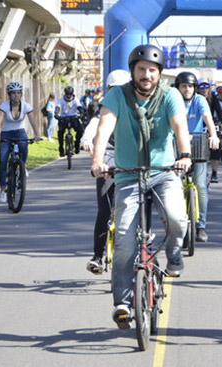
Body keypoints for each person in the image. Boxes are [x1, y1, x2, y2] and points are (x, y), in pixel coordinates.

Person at [91, 44, 192, 329]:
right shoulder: (116, 95)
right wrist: (98, 161)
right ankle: (122, 302)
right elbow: (103, 130)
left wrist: (183, 155)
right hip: (127, 175)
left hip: (164, 171)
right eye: (141, 69)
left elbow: (179, 126)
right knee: (123, 238)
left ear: (159, 74)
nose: (146, 75)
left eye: (152, 70)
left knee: (176, 218)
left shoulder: (171, 95)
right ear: (133, 71)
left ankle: (173, 255)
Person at [81, 70, 132, 274]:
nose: (117, 93)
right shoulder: (104, 108)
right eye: (113, 89)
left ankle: (144, 249)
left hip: (131, 163)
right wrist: (86, 140)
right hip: (108, 162)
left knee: (140, 207)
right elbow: (94, 127)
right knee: (104, 210)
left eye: (121, 89)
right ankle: (97, 256)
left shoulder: (135, 109)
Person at [175, 71, 221, 243]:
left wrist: (213, 135)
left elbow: (207, 117)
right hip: (178, 146)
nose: (187, 90)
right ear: (178, 88)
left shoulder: (199, 100)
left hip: (198, 144)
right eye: (184, 86)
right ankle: (177, 224)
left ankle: (201, 225)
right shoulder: (173, 100)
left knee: (200, 186)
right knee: (174, 186)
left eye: (190, 86)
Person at [0, 82, 43, 204]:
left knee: (24, 146)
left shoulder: (25, 106)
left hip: (20, 132)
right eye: (13, 93)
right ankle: (3, 190)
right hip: (6, 134)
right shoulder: (4, 105)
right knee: (3, 161)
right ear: (9, 94)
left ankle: (22, 166)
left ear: (21, 94)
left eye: (18, 93)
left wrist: (37, 134)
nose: (16, 95)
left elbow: (33, 120)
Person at [197, 78, 222, 183]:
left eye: (206, 87)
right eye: (201, 87)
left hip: (210, 124)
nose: (204, 89)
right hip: (197, 125)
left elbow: (219, 110)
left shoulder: (213, 98)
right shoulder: (195, 98)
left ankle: (214, 172)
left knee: (215, 148)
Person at [54, 86, 84, 156]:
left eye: (70, 94)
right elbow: (58, 107)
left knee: (80, 130)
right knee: (60, 132)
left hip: (73, 117)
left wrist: (81, 113)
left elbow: (79, 107)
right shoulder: (61, 100)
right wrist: (56, 114)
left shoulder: (75, 99)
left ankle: (77, 144)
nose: (69, 95)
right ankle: (61, 148)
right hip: (64, 118)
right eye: (67, 94)